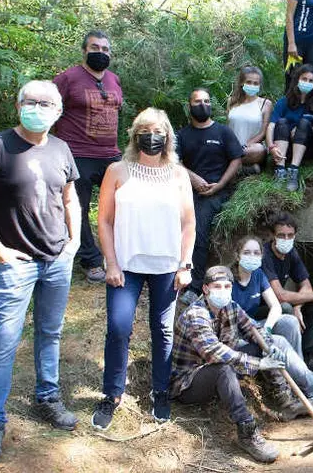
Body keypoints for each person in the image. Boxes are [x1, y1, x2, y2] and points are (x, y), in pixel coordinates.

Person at [0, 81, 80, 466]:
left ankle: (48, 398)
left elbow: (70, 196)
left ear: (58, 110)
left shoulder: (61, 148)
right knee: (4, 342)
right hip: (17, 266)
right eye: (31, 101)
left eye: (46, 103)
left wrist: (74, 242)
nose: (38, 108)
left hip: (57, 260)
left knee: (50, 332)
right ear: (18, 105)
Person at [171, 266, 313, 463]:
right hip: (190, 381)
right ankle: (247, 432)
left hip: (222, 366)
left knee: (273, 343)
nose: (223, 290)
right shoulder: (196, 315)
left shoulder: (230, 306)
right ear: (206, 289)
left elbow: (253, 328)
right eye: (217, 286)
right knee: (223, 370)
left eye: (227, 286)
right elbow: (215, 353)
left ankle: (286, 401)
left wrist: (269, 345)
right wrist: (260, 363)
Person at [92, 108, 196, 430]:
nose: (152, 136)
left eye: (158, 130)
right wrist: (110, 262)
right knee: (119, 327)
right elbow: (104, 220)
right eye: (146, 130)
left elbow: (189, 223)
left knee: (163, 331)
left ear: (167, 137)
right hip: (126, 265)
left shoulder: (179, 174)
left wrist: (185, 264)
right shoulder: (117, 171)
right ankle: (112, 394)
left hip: (166, 265)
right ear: (135, 134)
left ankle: (160, 392)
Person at [52, 30, 122, 283]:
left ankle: (119, 253)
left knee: (123, 205)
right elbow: (49, 109)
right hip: (76, 154)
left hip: (111, 155)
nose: (100, 53)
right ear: (84, 50)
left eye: (105, 49)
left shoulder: (113, 79)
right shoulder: (67, 78)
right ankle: (90, 260)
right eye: (95, 48)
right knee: (77, 209)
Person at [177, 88, 244, 291]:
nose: (203, 105)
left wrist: (221, 184)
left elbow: (236, 159)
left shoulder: (223, 132)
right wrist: (193, 177)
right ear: (189, 106)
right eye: (197, 102)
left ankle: (195, 285)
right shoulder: (182, 135)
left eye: (206, 101)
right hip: (188, 191)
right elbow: (174, 162)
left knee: (198, 228)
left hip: (218, 192)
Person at [262, 213, 313, 376]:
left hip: (281, 305)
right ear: (273, 235)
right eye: (281, 235)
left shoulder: (291, 253)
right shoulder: (264, 255)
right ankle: (291, 362)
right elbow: (279, 295)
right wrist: (310, 297)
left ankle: (307, 358)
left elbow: (306, 285)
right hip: (262, 307)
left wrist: (299, 307)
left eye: (290, 235)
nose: (286, 239)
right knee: (286, 307)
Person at [231, 236, 303, 353]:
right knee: (278, 342)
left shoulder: (258, 274)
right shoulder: (227, 279)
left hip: (257, 326)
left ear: (261, 256)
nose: (252, 257)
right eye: (247, 253)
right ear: (237, 256)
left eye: (256, 253)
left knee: (290, 321)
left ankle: (297, 362)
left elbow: (276, 306)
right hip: (236, 331)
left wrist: (267, 329)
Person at [267, 64, 313, 191]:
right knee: (282, 121)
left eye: (311, 81)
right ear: (297, 80)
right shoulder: (283, 102)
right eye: (304, 79)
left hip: (307, 149)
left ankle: (293, 171)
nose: (307, 82)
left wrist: (304, 129)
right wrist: (271, 147)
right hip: (284, 150)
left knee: (304, 123)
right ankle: (280, 170)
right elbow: (271, 126)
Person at [226, 65, 272, 171]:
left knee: (258, 150)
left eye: (255, 83)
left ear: (260, 85)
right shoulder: (232, 101)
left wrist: (246, 145)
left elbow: (263, 132)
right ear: (242, 83)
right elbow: (228, 127)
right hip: (232, 146)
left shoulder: (265, 103)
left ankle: (232, 167)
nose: (252, 85)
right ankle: (243, 169)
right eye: (249, 82)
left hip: (250, 148)